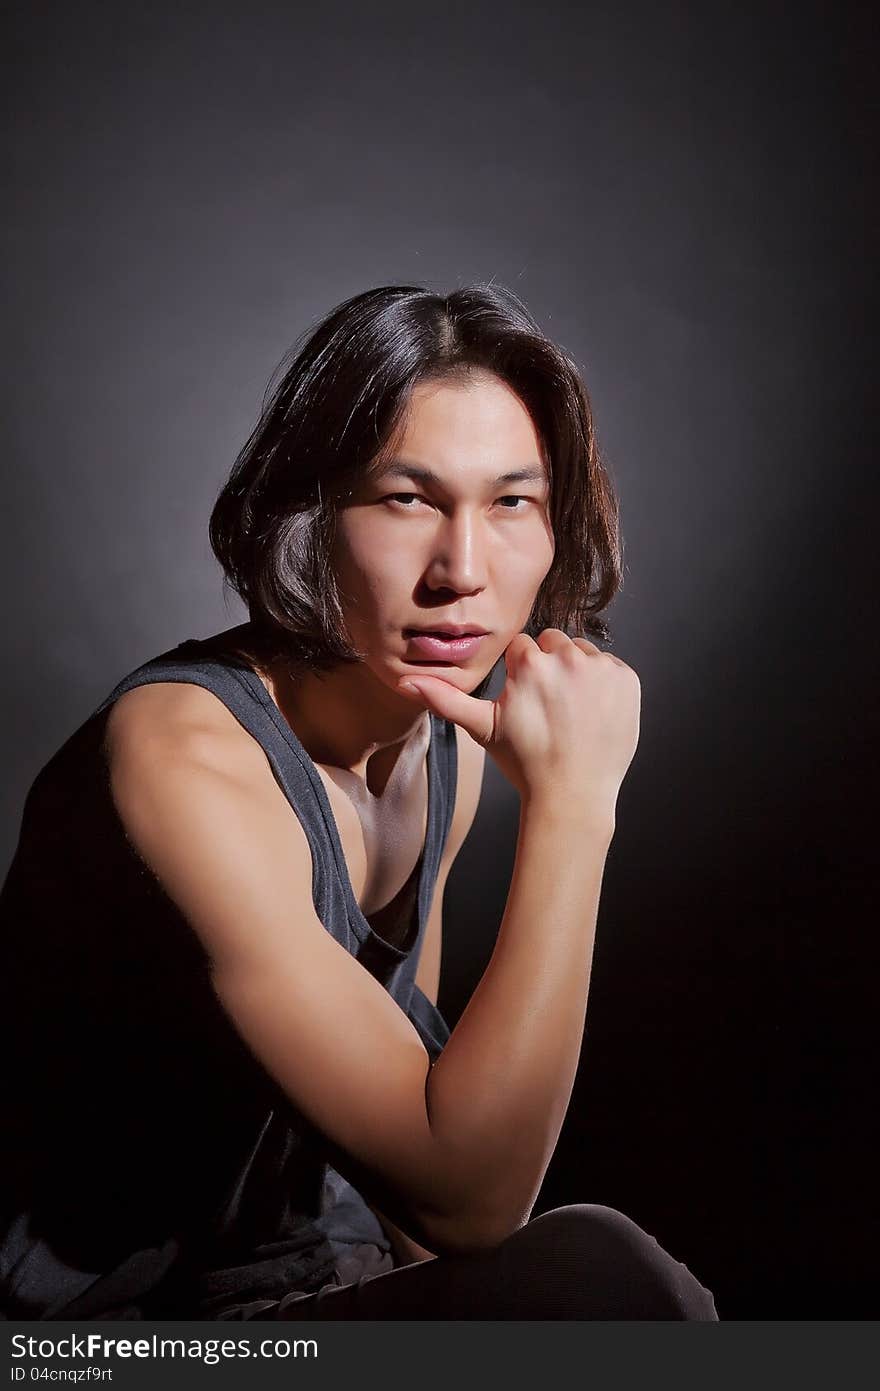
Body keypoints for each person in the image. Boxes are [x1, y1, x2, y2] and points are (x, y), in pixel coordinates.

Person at [0, 284, 718, 1320]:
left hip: (307, 1290)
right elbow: (470, 1194)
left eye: (511, 502)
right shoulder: (187, 754)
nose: (460, 570)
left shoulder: (442, 749)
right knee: (601, 1274)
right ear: (310, 512)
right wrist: (575, 809)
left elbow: (420, 1191)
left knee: (622, 1289)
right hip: (104, 1337)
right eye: (405, 497)